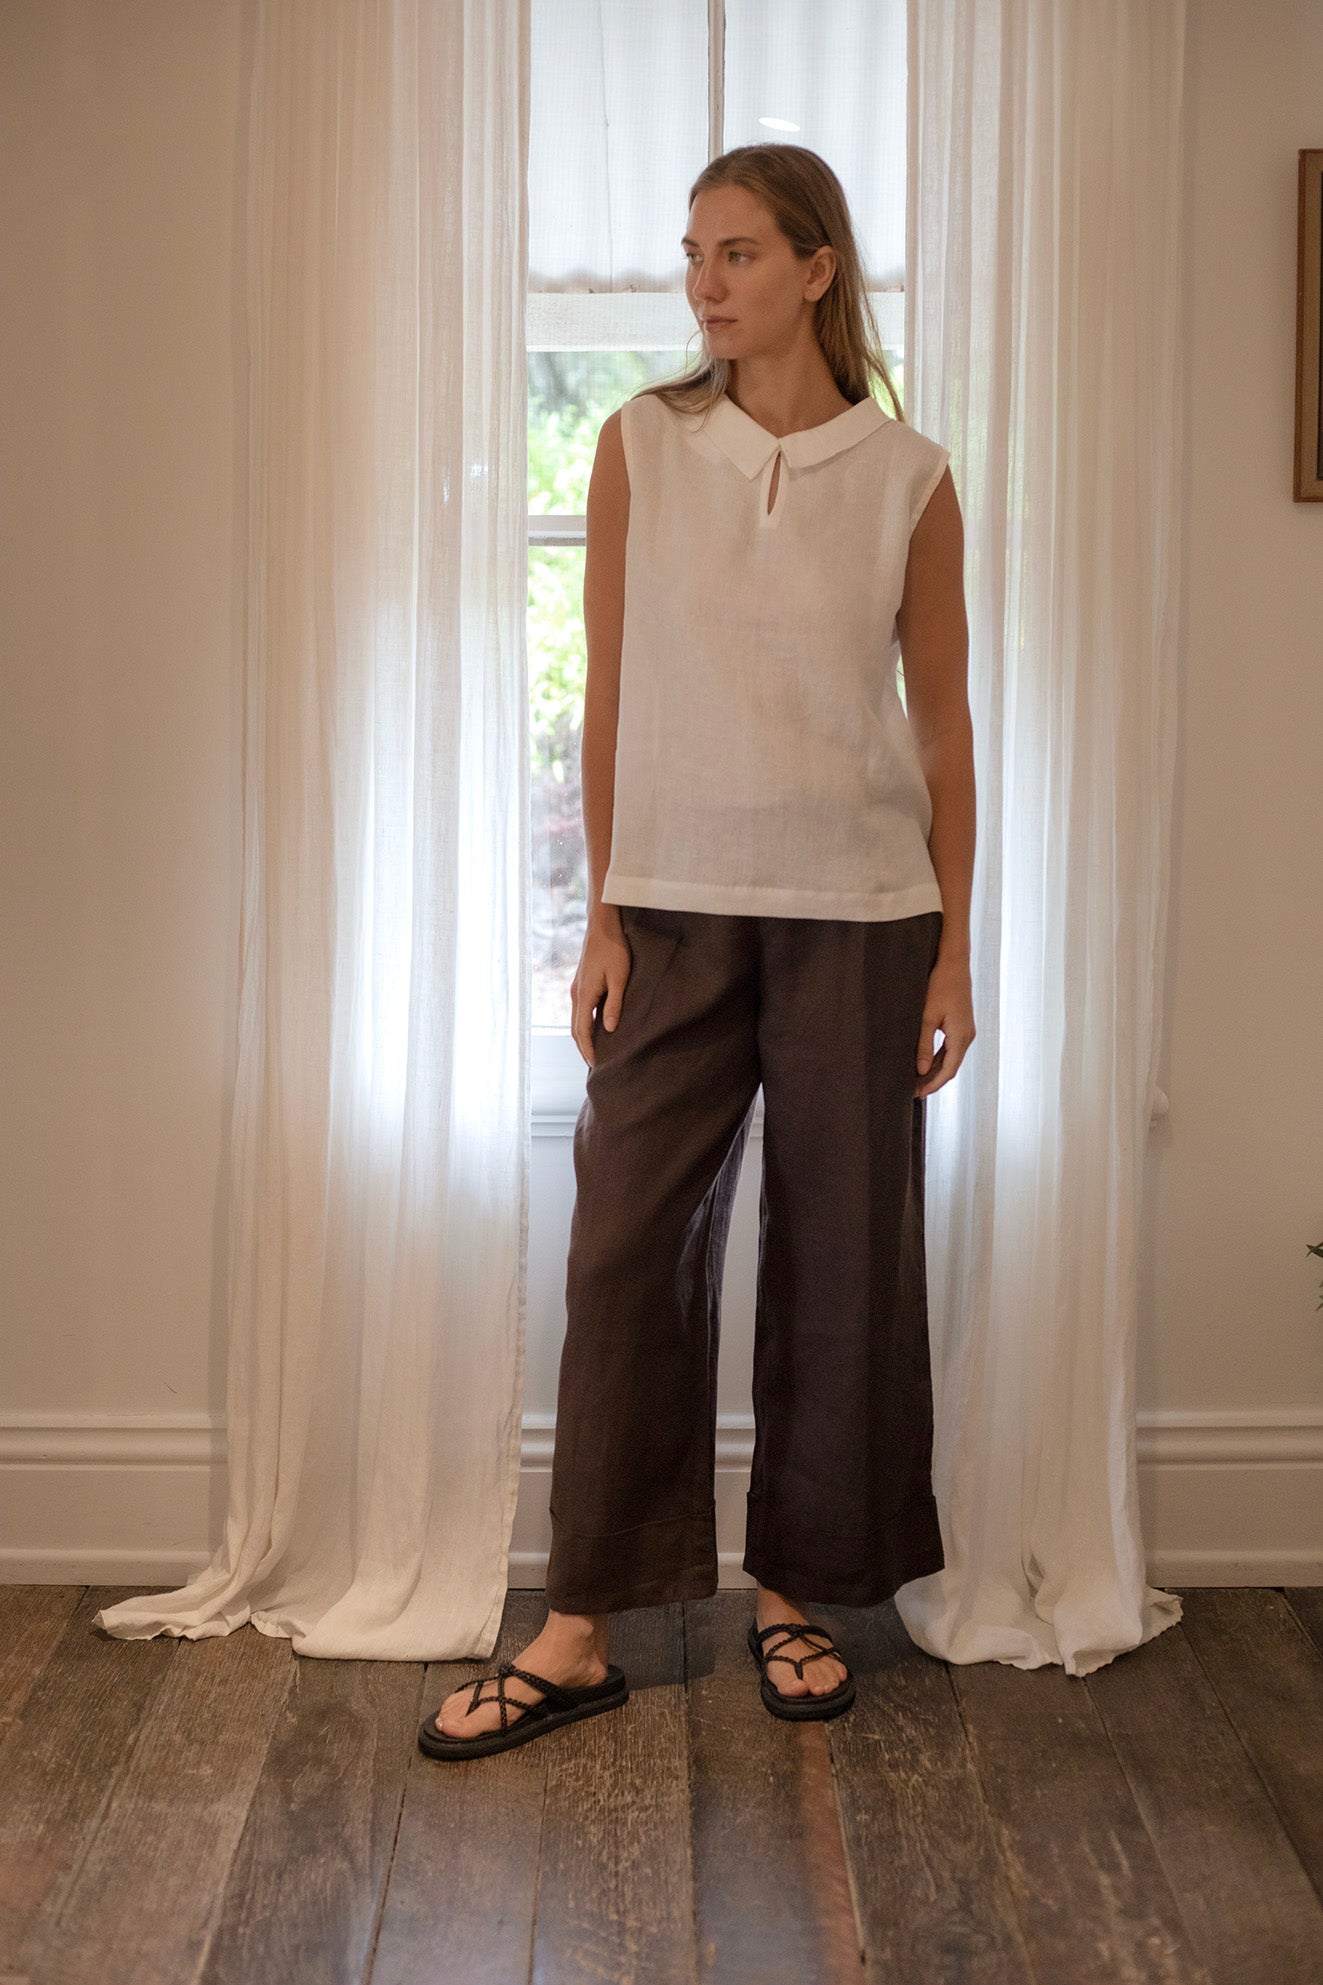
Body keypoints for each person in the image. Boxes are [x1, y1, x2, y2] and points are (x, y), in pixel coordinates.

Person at [420, 144, 975, 1762]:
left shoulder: (912, 475)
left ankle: (800, 1589)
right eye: (691, 253)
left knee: (843, 1253)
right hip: (670, 900)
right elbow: (610, 692)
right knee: (621, 1250)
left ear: (817, 269)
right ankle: (581, 1619)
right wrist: (597, 906)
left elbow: (942, 725)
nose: (703, 281)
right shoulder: (641, 450)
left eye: (736, 252)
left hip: (869, 916)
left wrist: (957, 954)